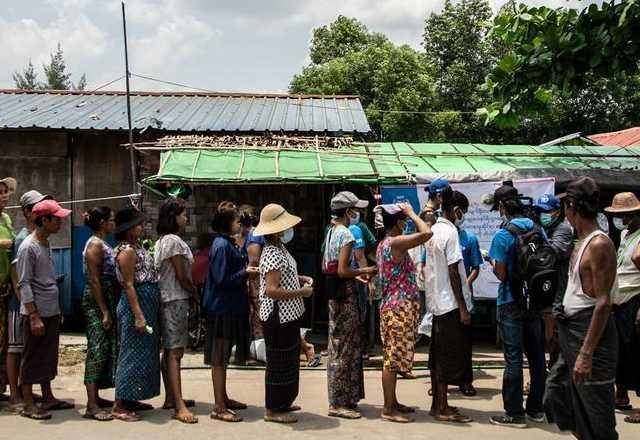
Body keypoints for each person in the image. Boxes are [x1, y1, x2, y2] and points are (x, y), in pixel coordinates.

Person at [545, 177, 619, 439]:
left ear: (573, 206)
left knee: (597, 413)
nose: (564, 211)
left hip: (591, 337)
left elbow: (603, 303)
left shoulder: (599, 244)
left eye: (566, 205)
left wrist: (586, 353)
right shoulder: (580, 242)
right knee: (557, 395)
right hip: (571, 332)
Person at [488, 184, 547, 428]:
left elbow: (501, 275)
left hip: (510, 300)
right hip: (534, 301)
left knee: (513, 359)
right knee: (536, 357)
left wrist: (491, 262)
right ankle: (536, 409)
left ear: (501, 207)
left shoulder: (503, 235)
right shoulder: (537, 229)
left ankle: (514, 413)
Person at [253, 203, 313, 424]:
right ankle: (273, 408)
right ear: (277, 230)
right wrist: (302, 291)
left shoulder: (281, 250)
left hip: (288, 315)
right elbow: (272, 289)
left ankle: (284, 401)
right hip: (277, 316)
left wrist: (301, 279)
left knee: (288, 359)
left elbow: (283, 278)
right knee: (278, 362)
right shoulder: (271, 253)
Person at [16, 199, 74, 420]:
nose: (60, 223)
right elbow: (24, 283)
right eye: (56, 219)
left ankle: (47, 396)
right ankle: (28, 403)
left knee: (48, 356)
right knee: (31, 357)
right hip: (36, 313)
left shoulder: (45, 243)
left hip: (50, 311)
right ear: (44, 220)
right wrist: (33, 316)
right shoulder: (27, 247)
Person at [376, 202, 432, 423]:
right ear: (399, 222)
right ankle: (388, 408)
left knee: (395, 357)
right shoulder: (395, 243)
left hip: (396, 307)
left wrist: (410, 214)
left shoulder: (385, 243)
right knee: (392, 360)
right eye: (405, 220)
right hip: (398, 309)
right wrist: (411, 213)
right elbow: (426, 232)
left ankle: (393, 402)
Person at [324, 191, 376, 419]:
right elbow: (344, 269)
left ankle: (343, 398)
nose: (358, 213)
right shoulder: (345, 234)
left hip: (335, 294)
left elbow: (331, 267)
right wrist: (364, 270)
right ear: (347, 212)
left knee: (339, 346)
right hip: (345, 297)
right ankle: (338, 402)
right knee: (345, 348)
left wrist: (355, 275)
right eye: (354, 209)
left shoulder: (331, 232)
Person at [424, 189, 473, 424]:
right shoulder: (451, 232)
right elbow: (454, 271)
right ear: (456, 211)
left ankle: (438, 404)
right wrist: (463, 307)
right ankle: (442, 406)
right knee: (446, 357)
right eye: (463, 212)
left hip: (436, 302)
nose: (462, 216)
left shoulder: (433, 230)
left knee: (437, 356)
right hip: (449, 304)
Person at [203, 201, 255, 423]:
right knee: (219, 357)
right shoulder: (221, 246)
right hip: (221, 307)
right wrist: (246, 273)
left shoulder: (229, 243)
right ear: (227, 223)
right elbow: (222, 279)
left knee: (224, 356)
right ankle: (219, 406)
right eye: (236, 220)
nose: (239, 223)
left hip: (230, 306)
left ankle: (223, 398)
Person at [112, 207, 161, 422]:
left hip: (146, 304)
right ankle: (120, 403)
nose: (142, 228)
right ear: (129, 229)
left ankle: (132, 396)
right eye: (138, 225)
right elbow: (129, 285)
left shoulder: (136, 247)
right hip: (136, 306)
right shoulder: (127, 252)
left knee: (144, 352)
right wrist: (139, 315)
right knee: (131, 354)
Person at [155, 198, 198, 424]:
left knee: (169, 350)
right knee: (175, 352)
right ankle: (178, 405)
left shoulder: (163, 240)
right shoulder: (172, 241)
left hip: (168, 299)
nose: (186, 218)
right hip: (175, 299)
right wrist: (194, 294)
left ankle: (172, 397)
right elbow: (182, 276)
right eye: (183, 214)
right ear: (173, 217)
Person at [7, 190, 50, 411]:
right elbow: (17, 276)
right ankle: (15, 395)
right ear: (27, 212)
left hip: (33, 303)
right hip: (21, 304)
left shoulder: (40, 238)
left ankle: (37, 392)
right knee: (16, 349)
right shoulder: (23, 238)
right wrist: (26, 306)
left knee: (32, 349)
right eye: (36, 207)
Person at [605, 192, 640, 423]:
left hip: (635, 299)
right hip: (619, 301)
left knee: (637, 353)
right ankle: (621, 394)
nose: (623, 220)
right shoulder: (626, 234)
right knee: (620, 352)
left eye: (626, 215)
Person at [81, 207, 118, 421]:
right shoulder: (95, 245)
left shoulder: (102, 242)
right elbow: (95, 280)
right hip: (97, 300)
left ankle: (96, 396)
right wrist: (104, 310)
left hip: (105, 297)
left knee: (104, 347)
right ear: (103, 222)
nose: (113, 223)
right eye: (111, 220)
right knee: (97, 347)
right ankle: (91, 404)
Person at [534, 194, 574, 370]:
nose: (542, 215)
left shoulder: (563, 230)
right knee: (544, 338)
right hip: (544, 292)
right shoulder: (543, 229)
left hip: (558, 291)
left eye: (546, 212)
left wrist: (537, 244)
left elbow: (553, 254)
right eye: (540, 212)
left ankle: (555, 375)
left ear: (557, 212)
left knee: (554, 338)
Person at [455, 192, 483, 397]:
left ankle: (465, 381)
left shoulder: (469, 238)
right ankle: (442, 382)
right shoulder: (437, 235)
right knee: (443, 341)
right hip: (445, 299)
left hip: (465, 298)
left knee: (464, 342)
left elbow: (476, 266)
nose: (461, 215)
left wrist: (466, 283)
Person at [0, 177, 17, 401]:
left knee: (3, 341)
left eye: (5, 192)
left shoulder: (5, 218)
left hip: (4, 287)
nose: (4, 196)